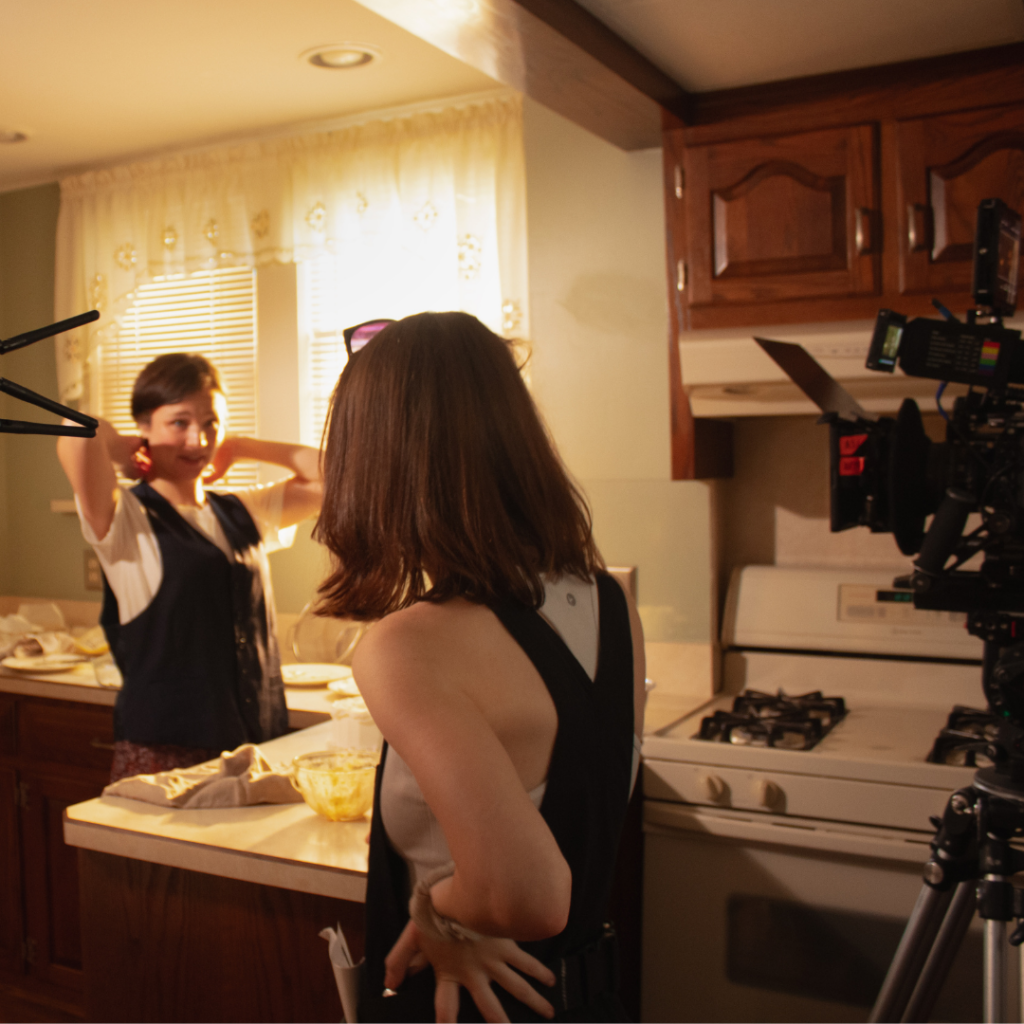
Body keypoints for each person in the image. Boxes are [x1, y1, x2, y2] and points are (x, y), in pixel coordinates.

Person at [315, 312, 646, 1023]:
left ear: (374, 461)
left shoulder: (409, 645)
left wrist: (438, 914)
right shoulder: (609, 598)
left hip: (474, 1002)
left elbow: (525, 892)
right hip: (587, 997)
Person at [56, 353, 322, 781]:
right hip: (166, 759)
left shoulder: (243, 510)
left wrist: (241, 446)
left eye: (211, 423)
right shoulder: (124, 519)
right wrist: (122, 448)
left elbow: (336, 476)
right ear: (144, 426)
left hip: (254, 746)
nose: (199, 440)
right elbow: (75, 429)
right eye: (179, 423)